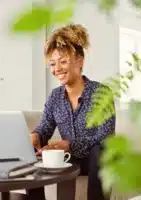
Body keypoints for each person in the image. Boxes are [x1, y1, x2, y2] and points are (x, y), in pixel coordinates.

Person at [28, 23, 116, 200]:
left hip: (97, 161)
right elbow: (45, 127)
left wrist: (70, 145)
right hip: (68, 159)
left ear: (79, 61)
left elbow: (106, 136)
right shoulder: (55, 97)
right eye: (52, 64)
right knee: (29, 156)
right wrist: (36, 135)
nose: (57, 69)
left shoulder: (101, 92)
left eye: (63, 61)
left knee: (99, 150)